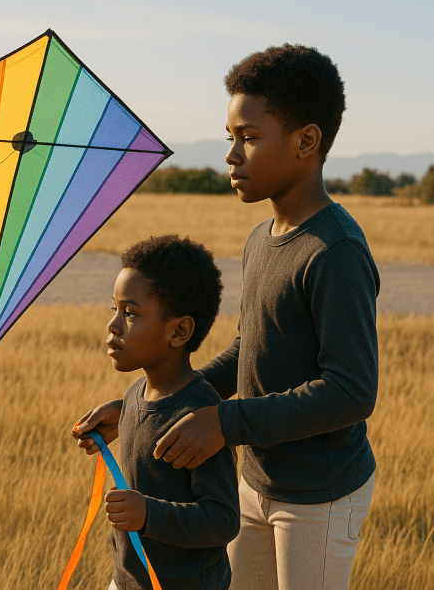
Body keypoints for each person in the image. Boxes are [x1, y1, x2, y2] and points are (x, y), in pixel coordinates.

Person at [76, 44, 379, 590]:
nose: (232, 155)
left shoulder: (335, 251)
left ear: (306, 142)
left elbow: (352, 390)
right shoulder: (262, 239)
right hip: (256, 478)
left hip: (319, 493)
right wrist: (148, 406)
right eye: (230, 137)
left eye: (250, 137)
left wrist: (225, 423)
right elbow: (250, 348)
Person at [72, 235, 239, 590]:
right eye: (113, 310)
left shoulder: (200, 415)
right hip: (129, 582)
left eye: (130, 313)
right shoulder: (133, 397)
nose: (113, 325)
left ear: (179, 331)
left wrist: (148, 514)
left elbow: (223, 519)